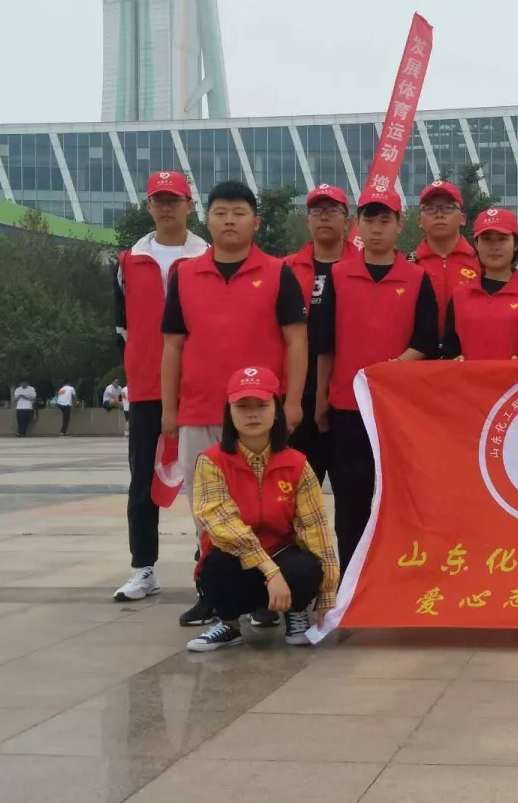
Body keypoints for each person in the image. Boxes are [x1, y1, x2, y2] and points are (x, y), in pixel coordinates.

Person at [162, 180, 308, 626]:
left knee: (266, 509)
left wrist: (293, 402)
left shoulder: (278, 273)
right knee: (206, 510)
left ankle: (264, 595)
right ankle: (212, 593)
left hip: (260, 414)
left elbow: (296, 340)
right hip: (201, 409)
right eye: (220, 212)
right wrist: (169, 410)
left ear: (255, 222)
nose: (229, 220)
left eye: (239, 213)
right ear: (206, 219)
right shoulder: (185, 275)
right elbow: (172, 346)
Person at [313, 187, 439, 567]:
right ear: (357, 224)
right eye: (370, 219)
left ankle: (397, 576)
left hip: (397, 412)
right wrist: (320, 401)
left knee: (400, 499)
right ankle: (352, 580)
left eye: (386, 219)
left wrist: (390, 370)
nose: (377, 227)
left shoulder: (417, 278)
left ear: (400, 224)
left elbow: (426, 342)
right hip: (348, 408)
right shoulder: (337, 276)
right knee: (351, 501)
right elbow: (325, 346)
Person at [187, 367, 340, 652]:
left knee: (307, 567)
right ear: (229, 412)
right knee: (217, 565)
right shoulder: (211, 462)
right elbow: (223, 524)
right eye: (242, 406)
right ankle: (229, 624)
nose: (252, 414)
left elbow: (316, 531)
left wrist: (327, 596)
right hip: (238, 562)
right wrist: (271, 572)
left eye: (261, 405)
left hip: (282, 557)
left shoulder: (297, 464)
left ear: (276, 410)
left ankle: (296, 613)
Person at [113, 170, 208, 602]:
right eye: (159, 200)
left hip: (200, 387)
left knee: (208, 482)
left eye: (174, 200)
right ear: (149, 206)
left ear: (190, 205)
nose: (166, 207)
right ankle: (143, 568)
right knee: (142, 483)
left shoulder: (208, 256)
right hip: (148, 389)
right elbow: (121, 327)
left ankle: (210, 566)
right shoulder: (128, 260)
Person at [284, 184, 360, 487]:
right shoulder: (287, 269)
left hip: (349, 392)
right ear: (308, 221)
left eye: (333, 210)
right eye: (317, 211)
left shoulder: (365, 266)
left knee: (351, 488)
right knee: (298, 485)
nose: (324, 217)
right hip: (299, 390)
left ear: (348, 221)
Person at [442, 208, 518, 360]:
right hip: (469, 376)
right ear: (476, 244)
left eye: (502, 239)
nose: (495, 246)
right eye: (486, 239)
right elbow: (448, 348)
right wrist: (454, 358)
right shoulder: (459, 296)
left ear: (515, 244)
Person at [412, 180, 479, 338]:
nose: (439, 214)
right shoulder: (408, 265)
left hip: (469, 350)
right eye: (430, 208)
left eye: (448, 207)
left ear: (463, 218)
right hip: (419, 352)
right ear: (420, 221)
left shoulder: (482, 263)